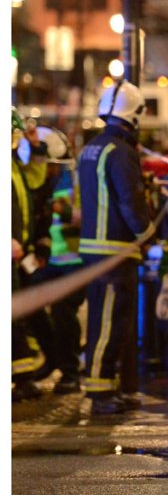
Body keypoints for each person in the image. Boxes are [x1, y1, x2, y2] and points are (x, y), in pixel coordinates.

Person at [77, 80, 155, 414]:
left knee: (102, 319)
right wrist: (149, 234)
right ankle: (99, 393)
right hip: (115, 250)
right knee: (110, 321)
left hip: (95, 249)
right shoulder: (122, 152)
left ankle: (105, 387)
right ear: (134, 114)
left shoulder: (92, 147)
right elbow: (131, 201)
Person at [26, 126, 87, 395]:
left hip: (74, 262)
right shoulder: (41, 182)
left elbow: (85, 217)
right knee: (26, 300)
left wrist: (61, 210)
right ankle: (52, 356)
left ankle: (70, 372)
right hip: (51, 261)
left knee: (64, 313)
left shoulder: (74, 180)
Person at [11, 108, 48, 402]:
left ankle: (24, 375)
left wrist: (36, 147)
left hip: (18, 254)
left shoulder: (11, 164)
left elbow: (34, 181)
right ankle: (23, 378)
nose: (15, 140)